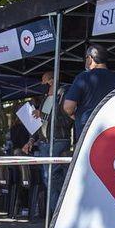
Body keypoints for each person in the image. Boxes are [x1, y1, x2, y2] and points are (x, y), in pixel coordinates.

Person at [24, 71, 75, 211]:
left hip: (58, 140)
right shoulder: (45, 98)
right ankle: (56, 211)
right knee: (49, 179)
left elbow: (66, 120)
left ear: (52, 80)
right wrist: (31, 140)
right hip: (44, 143)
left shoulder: (64, 95)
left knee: (51, 177)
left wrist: (44, 115)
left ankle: (57, 212)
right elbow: (39, 122)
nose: (42, 84)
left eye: (44, 81)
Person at [64, 44, 115, 139]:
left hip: (88, 128)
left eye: (86, 57)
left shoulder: (83, 77)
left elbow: (68, 107)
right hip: (112, 128)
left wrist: (76, 116)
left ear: (91, 58)